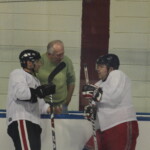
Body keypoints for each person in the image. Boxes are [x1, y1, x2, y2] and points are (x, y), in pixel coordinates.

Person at [82, 54, 139, 150]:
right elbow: (100, 102)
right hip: (105, 128)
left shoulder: (117, 74)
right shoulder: (98, 84)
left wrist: (95, 94)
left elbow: (113, 97)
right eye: (97, 66)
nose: (98, 69)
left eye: (101, 66)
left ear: (111, 68)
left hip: (121, 126)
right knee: (88, 148)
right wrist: (92, 110)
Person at [6, 49, 59, 150]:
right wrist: (40, 91)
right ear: (29, 63)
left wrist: (51, 109)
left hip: (34, 122)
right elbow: (21, 93)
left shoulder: (36, 81)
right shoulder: (18, 73)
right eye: (38, 61)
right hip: (22, 119)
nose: (40, 64)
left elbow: (41, 105)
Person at [37, 40, 75, 113]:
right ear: (49, 54)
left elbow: (71, 81)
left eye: (62, 54)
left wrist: (68, 100)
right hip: (43, 103)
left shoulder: (66, 61)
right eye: (58, 55)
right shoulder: (39, 61)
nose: (62, 57)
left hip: (61, 104)